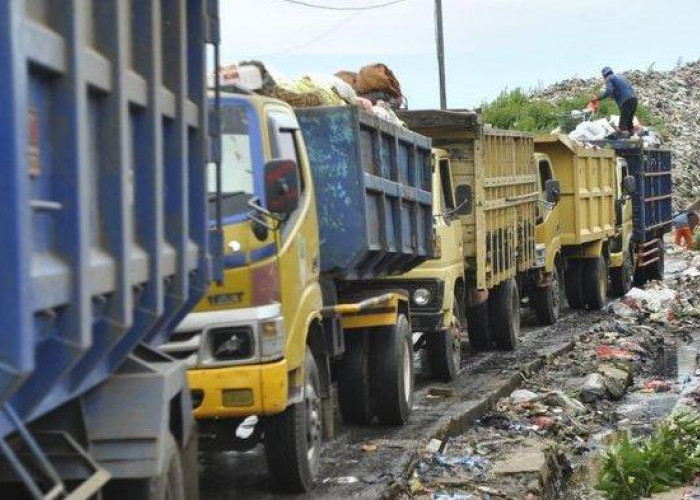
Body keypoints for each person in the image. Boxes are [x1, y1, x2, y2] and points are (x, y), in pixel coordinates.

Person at [593, 67, 638, 136]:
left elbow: (609, 91)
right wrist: (613, 95)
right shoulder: (621, 76)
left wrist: (597, 98)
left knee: (622, 125)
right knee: (629, 122)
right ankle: (634, 138)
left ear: (604, 75)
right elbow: (621, 88)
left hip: (626, 100)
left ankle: (621, 143)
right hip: (634, 99)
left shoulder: (609, 78)